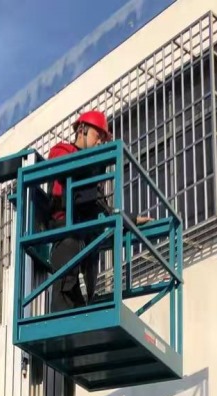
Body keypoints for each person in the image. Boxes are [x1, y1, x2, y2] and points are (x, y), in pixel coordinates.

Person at [47, 110, 150, 313]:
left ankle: (84, 306)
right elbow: (64, 166)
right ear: (82, 130)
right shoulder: (62, 150)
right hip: (65, 230)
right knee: (65, 285)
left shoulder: (92, 171)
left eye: (103, 140)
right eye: (97, 136)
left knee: (88, 264)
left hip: (84, 235)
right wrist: (94, 163)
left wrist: (129, 219)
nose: (99, 143)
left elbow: (102, 207)